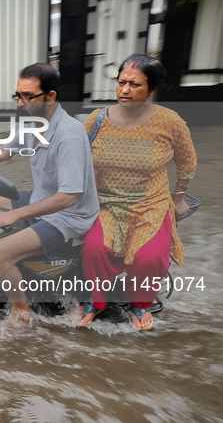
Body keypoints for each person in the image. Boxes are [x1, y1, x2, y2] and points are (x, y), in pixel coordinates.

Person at [0, 63, 99, 325]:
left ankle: (20, 316)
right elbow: (4, 151)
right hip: (41, 197)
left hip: (69, 216)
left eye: (28, 96)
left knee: (0, 253)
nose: (20, 102)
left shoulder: (68, 135)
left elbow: (68, 198)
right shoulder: (32, 124)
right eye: (18, 95)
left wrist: (12, 216)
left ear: (50, 97)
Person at [76, 53, 197, 331]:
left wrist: (177, 198)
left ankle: (140, 304)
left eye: (134, 85)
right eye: (121, 82)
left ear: (151, 89)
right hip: (106, 203)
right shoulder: (97, 120)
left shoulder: (169, 122)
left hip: (150, 204)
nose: (125, 90)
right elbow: (76, 156)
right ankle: (96, 301)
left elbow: (187, 161)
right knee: (93, 249)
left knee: (149, 257)